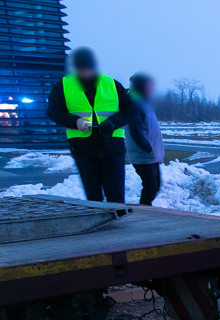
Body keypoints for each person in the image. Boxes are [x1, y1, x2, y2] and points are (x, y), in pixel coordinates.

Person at [47, 47, 133, 203]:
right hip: (82, 148)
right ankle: (99, 223)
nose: (85, 73)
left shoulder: (112, 84)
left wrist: (113, 122)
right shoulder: (64, 85)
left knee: (116, 195)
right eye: (81, 69)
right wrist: (75, 122)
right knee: (93, 197)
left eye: (88, 68)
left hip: (112, 146)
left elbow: (130, 109)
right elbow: (53, 111)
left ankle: (119, 224)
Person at [125, 73, 164, 205]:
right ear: (141, 86)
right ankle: (143, 211)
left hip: (150, 154)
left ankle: (145, 208)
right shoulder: (134, 102)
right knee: (151, 186)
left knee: (155, 185)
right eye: (149, 86)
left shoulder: (144, 103)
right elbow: (133, 127)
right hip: (143, 154)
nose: (152, 89)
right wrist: (145, 145)